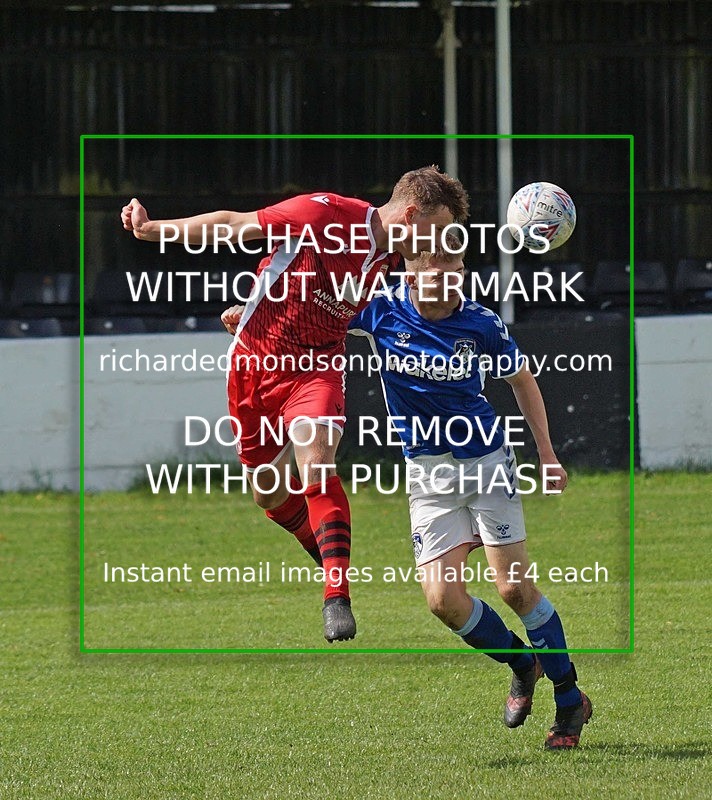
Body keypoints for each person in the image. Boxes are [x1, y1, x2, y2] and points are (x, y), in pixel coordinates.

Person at [121, 166, 469, 643]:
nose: (439, 240)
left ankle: (337, 594)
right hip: (256, 363)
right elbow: (233, 224)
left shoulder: (394, 259)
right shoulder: (323, 214)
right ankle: (324, 549)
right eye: (438, 228)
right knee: (267, 493)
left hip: (318, 367)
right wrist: (151, 230)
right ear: (410, 215)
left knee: (317, 459)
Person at [346, 237, 593, 749]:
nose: (453, 279)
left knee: (514, 590)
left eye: (458, 269)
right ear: (411, 275)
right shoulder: (380, 310)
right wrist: (254, 321)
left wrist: (547, 454)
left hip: (486, 464)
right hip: (427, 476)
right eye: (440, 271)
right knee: (443, 601)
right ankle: (522, 663)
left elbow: (523, 382)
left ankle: (570, 700)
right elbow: (315, 313)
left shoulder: (481, 323)